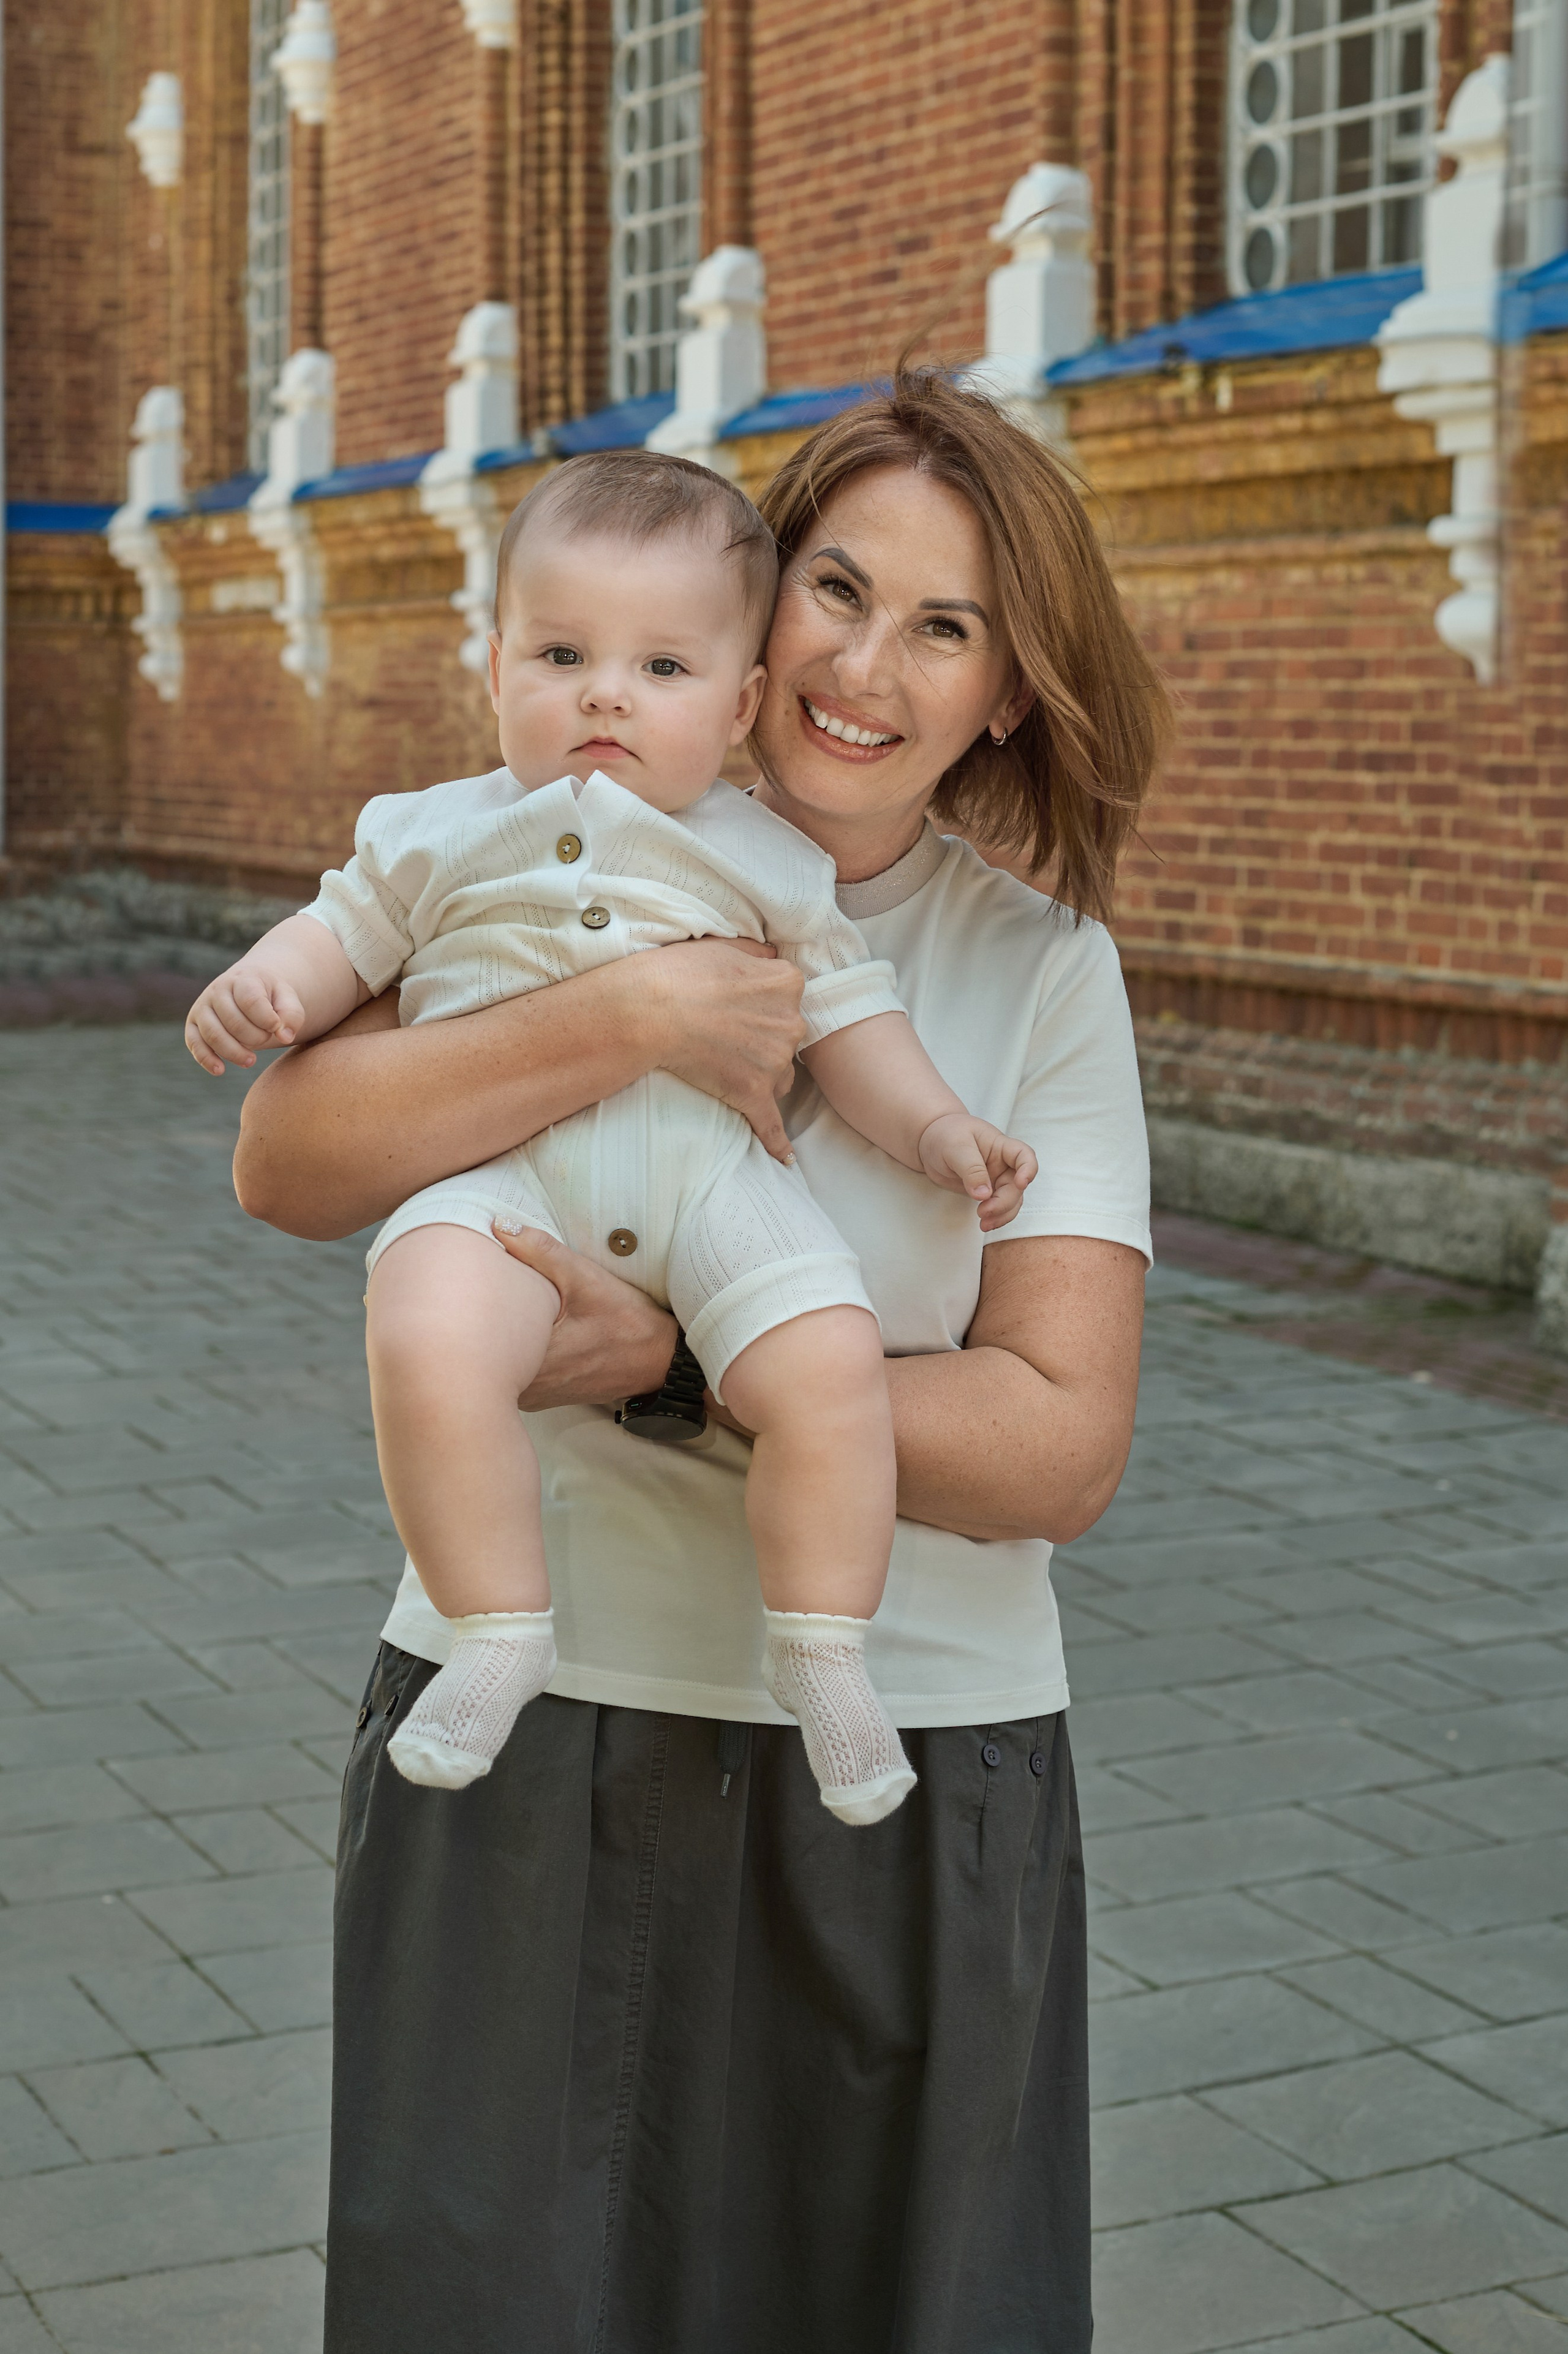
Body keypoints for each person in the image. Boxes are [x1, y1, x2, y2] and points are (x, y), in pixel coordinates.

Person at [236, 368, 1167, 2353]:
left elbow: (1058, 1441)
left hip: (914, 1760)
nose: (867, 664)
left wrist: (668, 1360)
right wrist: (647, 1010)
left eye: (949, 625)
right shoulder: (541, 844)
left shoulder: (1038, 970)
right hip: (539, 1730)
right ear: (755, 619)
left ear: (1009, 688)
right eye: (839, 588)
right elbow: (292, 1154)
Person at [186, 451, 1035, 1821]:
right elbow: (338, 939)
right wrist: (266, 987)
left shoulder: (763, 856)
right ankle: (495, 1624)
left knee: (826, 1361)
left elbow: (850, 1015)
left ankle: (824, 1650)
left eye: (660, 669)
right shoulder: (433, 832)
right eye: (563, 652)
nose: (603, 695)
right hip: (500, 1184)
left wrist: (936, 1125)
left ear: (739, 701)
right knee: (422, 1324)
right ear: (494, 663)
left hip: (708, 1182)